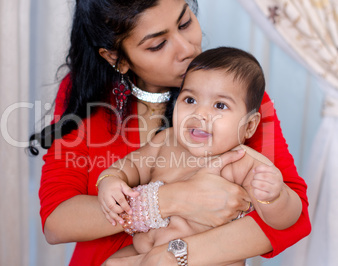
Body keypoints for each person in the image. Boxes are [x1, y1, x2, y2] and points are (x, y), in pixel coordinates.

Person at [30, 0, 311, 265]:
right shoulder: (86, 96)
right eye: (158, 44)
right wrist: (174, 199)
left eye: (186, 22)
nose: (186, 49)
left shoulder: (234, 96)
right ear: (117, 58)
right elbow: (57, 221)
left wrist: (170, 257)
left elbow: (293, 217)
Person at [97, 47, 302, 265]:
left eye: (220, 105)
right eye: (190, 100)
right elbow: (131, 166)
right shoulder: (165, 141)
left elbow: (287, 219)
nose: (200, 113)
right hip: (143, 254)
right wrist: (110, 180)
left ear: (249, 126)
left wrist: (274, 196)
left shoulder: (241, 161)